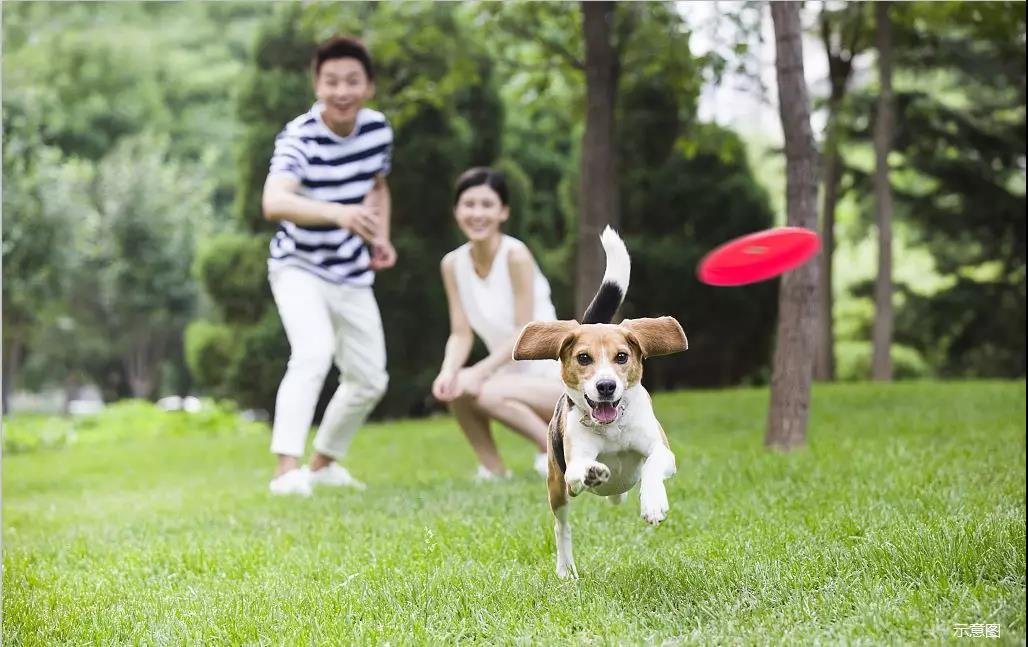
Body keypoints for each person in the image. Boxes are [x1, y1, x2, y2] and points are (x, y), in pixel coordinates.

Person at [261, 36, 396, 496]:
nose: (342, 91)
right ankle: (285, 471)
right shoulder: (299, 136)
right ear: (317, 84)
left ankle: (322, 465)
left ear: (369, 87)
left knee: (369, 378)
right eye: (331, 81)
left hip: (352, 271)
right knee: (313, 353)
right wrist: (339, 212)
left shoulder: (377, 129)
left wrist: (379, 236)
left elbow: (377, 185)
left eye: (352, 81)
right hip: (297, 266)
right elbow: (274, 200)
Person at [432, 167, 564, 480]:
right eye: (469, 204)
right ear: (456, 211)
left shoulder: (515, 255)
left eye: (487, 205)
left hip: (551, 374)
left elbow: (525, 332)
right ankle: (492, 470)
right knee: (457, 387)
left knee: (480, 389)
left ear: (503, 212)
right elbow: (460, 333)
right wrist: (448, 371)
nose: (477, 213)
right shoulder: (452, 264)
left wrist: (480, 371)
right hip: (506, 374)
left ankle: (553, 450)